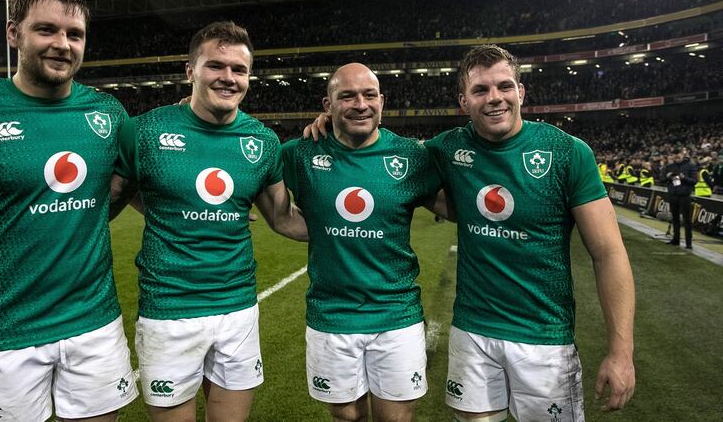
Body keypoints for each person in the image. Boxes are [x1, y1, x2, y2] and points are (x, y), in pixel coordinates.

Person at [0, 0, 137, 422]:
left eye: (74, 34)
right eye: (46, 30)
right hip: (4, 332)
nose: (63, 44)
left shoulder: (109, 114)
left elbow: (123, 187)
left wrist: (325, 120)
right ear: (13, 32)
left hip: (94, 324)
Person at [424, 45, 636, 421]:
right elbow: (381, 156)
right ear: (464, 101)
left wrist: (621, 352)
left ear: (520, 92)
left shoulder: (567, 152)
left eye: (504, 86)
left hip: (544, 338)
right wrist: (327, 127)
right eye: (481, 90)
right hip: (472, 332)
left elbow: (609, 253)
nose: (495, 98)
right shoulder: (448, 148)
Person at [112, 21, 307, 422]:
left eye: (239, 70)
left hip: (237, 309)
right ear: (190, 71)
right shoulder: (145, 132)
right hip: (169, 310)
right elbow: (105, 200)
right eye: (216, 66)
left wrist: (368, 225)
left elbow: (284, 219)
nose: (228, 78)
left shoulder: (261, 142)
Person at [283, 63, 441, 422]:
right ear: (327, 104)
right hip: (331, 314)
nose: (360, 104)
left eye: (369, 95)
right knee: (347, 417)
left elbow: (461, 200)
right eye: (347, 96)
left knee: (396, 418)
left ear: (382, 101)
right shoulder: (300, 153)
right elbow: (247, 166)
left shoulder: (412, 156)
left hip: (396, 314)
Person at [665, 149, 697, 248]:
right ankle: (676, 239)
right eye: (674, 157)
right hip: (673, 196)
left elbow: (694, 181)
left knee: (687, 220)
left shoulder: (691, 166)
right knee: (675, 219)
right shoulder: (669, 166)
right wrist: (668, 176)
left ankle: (689, 243)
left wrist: (684, 177)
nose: (676, 158)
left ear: (683, 155)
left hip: (685, 196)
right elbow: (662, 179)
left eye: (678, 156)